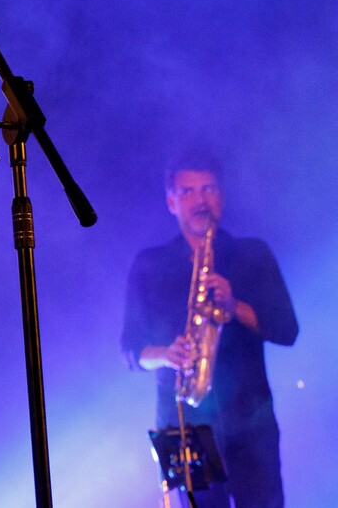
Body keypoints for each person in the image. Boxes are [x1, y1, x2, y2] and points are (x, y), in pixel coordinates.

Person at [121, 153, 299, 507]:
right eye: (188, 192)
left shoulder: (252, 254)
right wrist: (165, 355)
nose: (200, 201)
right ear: (171, 202)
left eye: (209, 189)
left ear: (222, 196)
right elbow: (130, 351)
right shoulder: (149, 265)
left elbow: (287, 330)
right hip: (184, 428)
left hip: (252, 426)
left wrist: (235, 307)